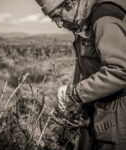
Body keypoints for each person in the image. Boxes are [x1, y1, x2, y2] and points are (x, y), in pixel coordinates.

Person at [36, 0, 126, 149]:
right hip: (101, 108)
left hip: (119, 111)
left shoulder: (104, 17)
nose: (59, 24)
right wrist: (79, 102)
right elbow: (89, 67)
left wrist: (74, 93)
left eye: (57, 16)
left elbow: (121, 69)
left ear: (70, 3)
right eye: (53, 19)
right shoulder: (84, 24)